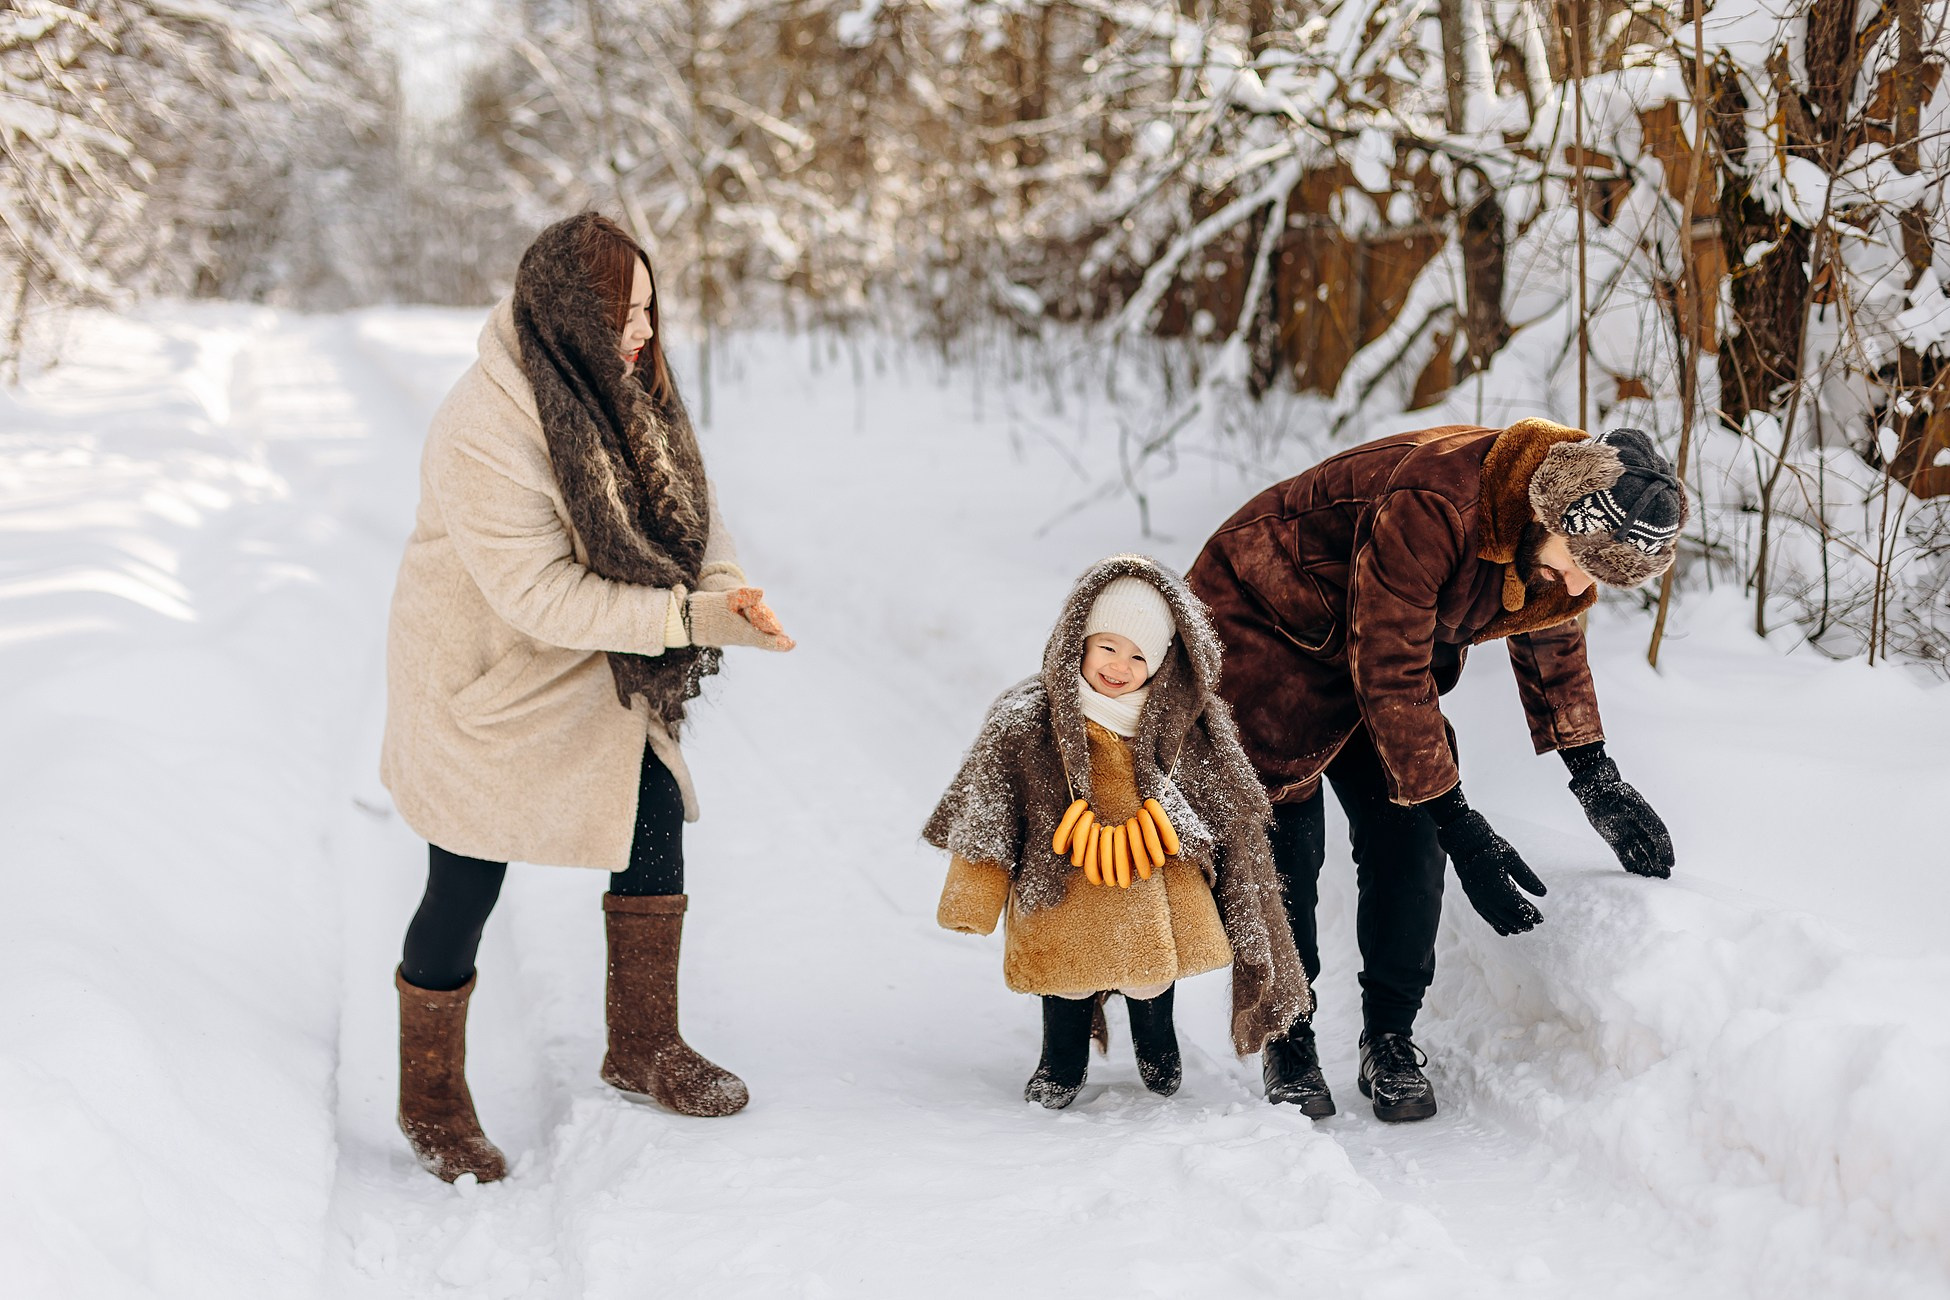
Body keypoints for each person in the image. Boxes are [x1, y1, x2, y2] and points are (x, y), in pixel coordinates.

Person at [378, 213, 793, 1183]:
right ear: (570, 318)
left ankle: (643, 1044)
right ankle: (428, 1094)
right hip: (490, 678)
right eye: (624, 315)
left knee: (653, 808)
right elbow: (537, 594)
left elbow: (696, 513)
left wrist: (724, 589)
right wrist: (687, 618)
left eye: (649, 308)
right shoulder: (484, 425)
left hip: (599, 661)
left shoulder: (624, 386)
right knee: (465, 880)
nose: (644, 332)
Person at [1186, 422, 1683, 1123]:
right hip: (1265, 629)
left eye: (1597, 577)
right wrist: (1460, 820)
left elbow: (1548, 636)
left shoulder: (1555, 529)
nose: (1579, 585)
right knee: (1285, 844)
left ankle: (1389, 1037)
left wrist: (1594, 775)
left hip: (1381, 647)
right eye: (1581, 562)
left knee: (1410, 838)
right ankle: (1288, 1037)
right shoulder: (1435, 504)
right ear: (1549, 512)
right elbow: (1390, 671)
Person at [925, 555, 1311, 1109]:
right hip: (1062, 888)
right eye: (1107, 647)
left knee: (1150, 976)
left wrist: (1237, 891)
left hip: (1155, 883)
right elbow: (992, 815)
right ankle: (1061, 1062)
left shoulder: (1183, 726)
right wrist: (973, 899)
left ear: (1161, 664)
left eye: (1138, 656)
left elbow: (1228, 815)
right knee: (1067, 977)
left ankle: (1158, 1046)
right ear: (1079, 641)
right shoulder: (1027, 722)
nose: (1119, 666)